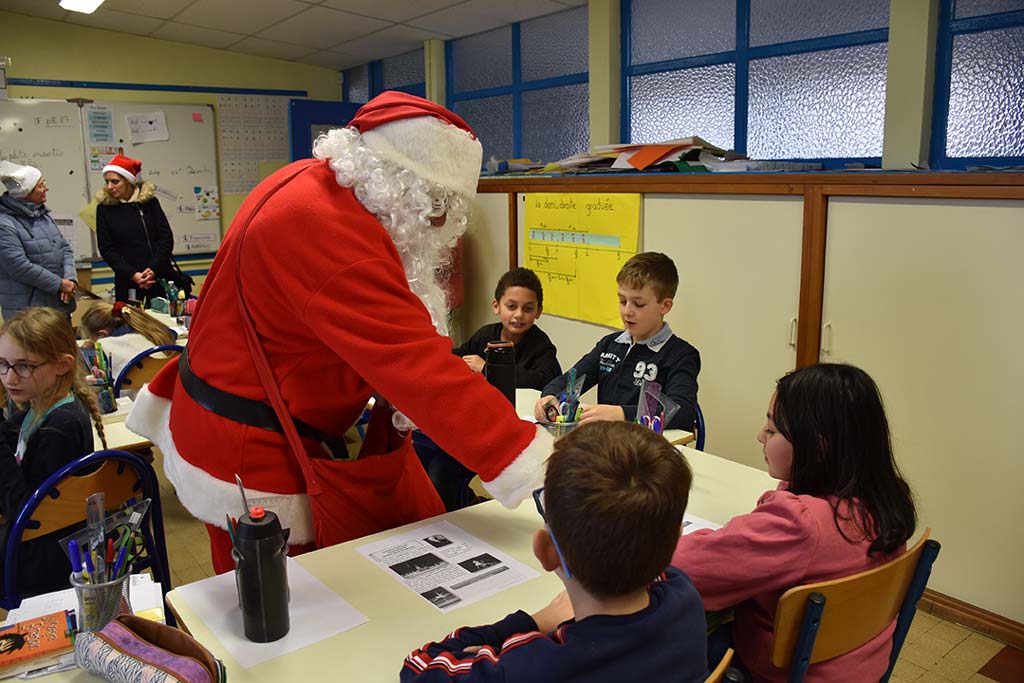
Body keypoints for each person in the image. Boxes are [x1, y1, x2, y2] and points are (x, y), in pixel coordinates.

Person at [127, 92, 552, 574]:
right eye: (437, 207)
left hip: (269, 412)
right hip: (252, 447)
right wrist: (540, 467)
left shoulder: (311, 184)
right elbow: (414, 364)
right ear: (405, 187)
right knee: (296, 607)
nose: (439, 228)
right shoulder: (329, 229)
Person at [401, 421, 708, 682]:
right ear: (676, 539)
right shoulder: (686, 600)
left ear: (546, 551)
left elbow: (420, 666)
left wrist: (535, 622)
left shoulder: (526, 668)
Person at [672, 363, 917, 683]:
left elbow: (684, 567)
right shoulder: (884, 499)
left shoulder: (800, 524)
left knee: (661, 639)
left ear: (816, 447)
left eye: (772, 430)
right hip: (860, 665)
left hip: (786, 673)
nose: (760, 435)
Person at [0, 307, 106, 598]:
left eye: (24, 366)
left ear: (62, 365)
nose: (9, 378)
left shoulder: (61, 425)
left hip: (43, 566)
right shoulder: (39, 408)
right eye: (3, 364)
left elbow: (29, 515)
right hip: (40, 551)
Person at [535, 251, 699, 431]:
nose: (627, 311)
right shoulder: (610, 345)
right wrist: (550, 397)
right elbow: (568, 381)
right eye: (622, 301)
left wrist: (620, 414)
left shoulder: (680, 354)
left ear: (665, 306)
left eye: (638, 304)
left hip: (648, 450)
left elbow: (682, 413)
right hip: (608, 443)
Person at [453, 267, 561, 390]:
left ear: (538, 311)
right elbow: (459, 355)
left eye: (528, 308)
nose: (519, 314)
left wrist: (487, 369)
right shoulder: (485, 335)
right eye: (511, 306)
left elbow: (540, 382)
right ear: (496, 306)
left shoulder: (542, 346)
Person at [0, 161, 77, 321]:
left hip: (58, 305)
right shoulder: (4, 223)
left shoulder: (43, 215)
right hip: (27, 315)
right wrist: (59, 284)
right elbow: (18, 266)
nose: (46, 188)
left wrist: (70, 280)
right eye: (41, 185)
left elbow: (65, 249)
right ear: (26, 192)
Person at [95, 155, 176, 305]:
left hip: (158, 276)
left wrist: (153, 269)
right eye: (107, 182)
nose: (110, 187)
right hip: (128, 280)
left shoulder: (149, 203)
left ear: (128, 181)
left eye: (115, 181)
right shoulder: (104, 209)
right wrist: (133, 275)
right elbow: (106, 249)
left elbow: (166, 238)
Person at [79, 301, 176, 386]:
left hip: (130, 402)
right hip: (168, 394)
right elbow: (172, 333)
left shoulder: (102, 345)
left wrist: (89, 345)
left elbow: (82, 358)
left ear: (102, 334)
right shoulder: (146, 331)